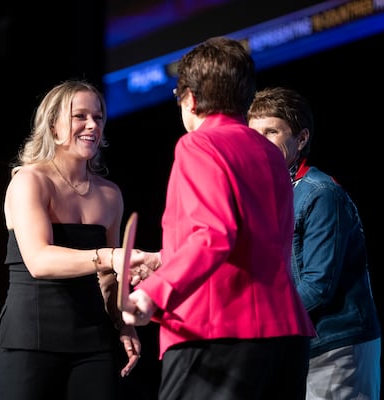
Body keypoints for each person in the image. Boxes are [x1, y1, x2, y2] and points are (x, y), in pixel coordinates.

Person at [120, 36, 316, 400]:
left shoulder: (198, 144)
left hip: (217, 333)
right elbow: (252, 242)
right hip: (284, 335)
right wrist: (164, 261)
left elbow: (214, 234)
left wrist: (153, 292)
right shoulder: (270, 153)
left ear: (190, 99)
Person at [0, 79, 143, 400]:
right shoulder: (29, 181)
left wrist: (122, 323)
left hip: (93, 343)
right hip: (29, 341)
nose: (92, 125)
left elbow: (108, 280)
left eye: (98, 118)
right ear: (53, 126)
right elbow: (40, 261)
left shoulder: (109, 194)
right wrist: (110, 256)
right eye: (80, 116)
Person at [247, 86, 382, 400]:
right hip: (299, 346)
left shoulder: (320, 192)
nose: (260, 143)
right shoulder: (270, 194)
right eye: (254, 134)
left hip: (336, 346)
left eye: (271, 132)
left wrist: (257, 318)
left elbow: (318, 285)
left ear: (302, 138)